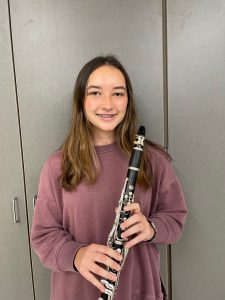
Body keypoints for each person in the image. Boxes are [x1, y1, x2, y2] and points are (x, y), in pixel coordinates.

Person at [31, 55, 188, 300]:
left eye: (117, 93)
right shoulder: (57, 165)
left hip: (139, 289)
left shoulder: (153, 160)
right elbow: (43, 236)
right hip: (77, 292)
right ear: (81, 100)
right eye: (95, 93)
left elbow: (176, 218)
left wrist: (151, 228)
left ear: (128, 100)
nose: (108, 104)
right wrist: (76, 255)